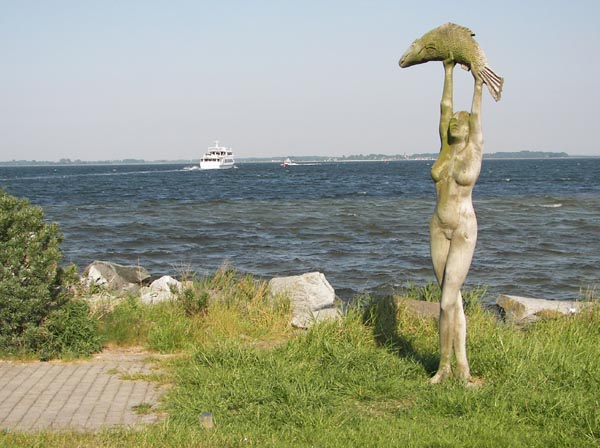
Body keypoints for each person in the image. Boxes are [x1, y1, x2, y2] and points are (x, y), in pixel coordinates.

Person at [428, 60, 483, 384]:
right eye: (452, 122)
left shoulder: (474, 149)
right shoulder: (444, 150)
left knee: (447, 301)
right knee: (453, 299)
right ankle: (462, 366)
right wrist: (447, 70)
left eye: (460, 122)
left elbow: (474, 112)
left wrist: (477, 84)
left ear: (470, 127)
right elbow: (444, 106)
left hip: (463, 227)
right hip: (438, 226)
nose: (454, 123)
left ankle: (443, 367)